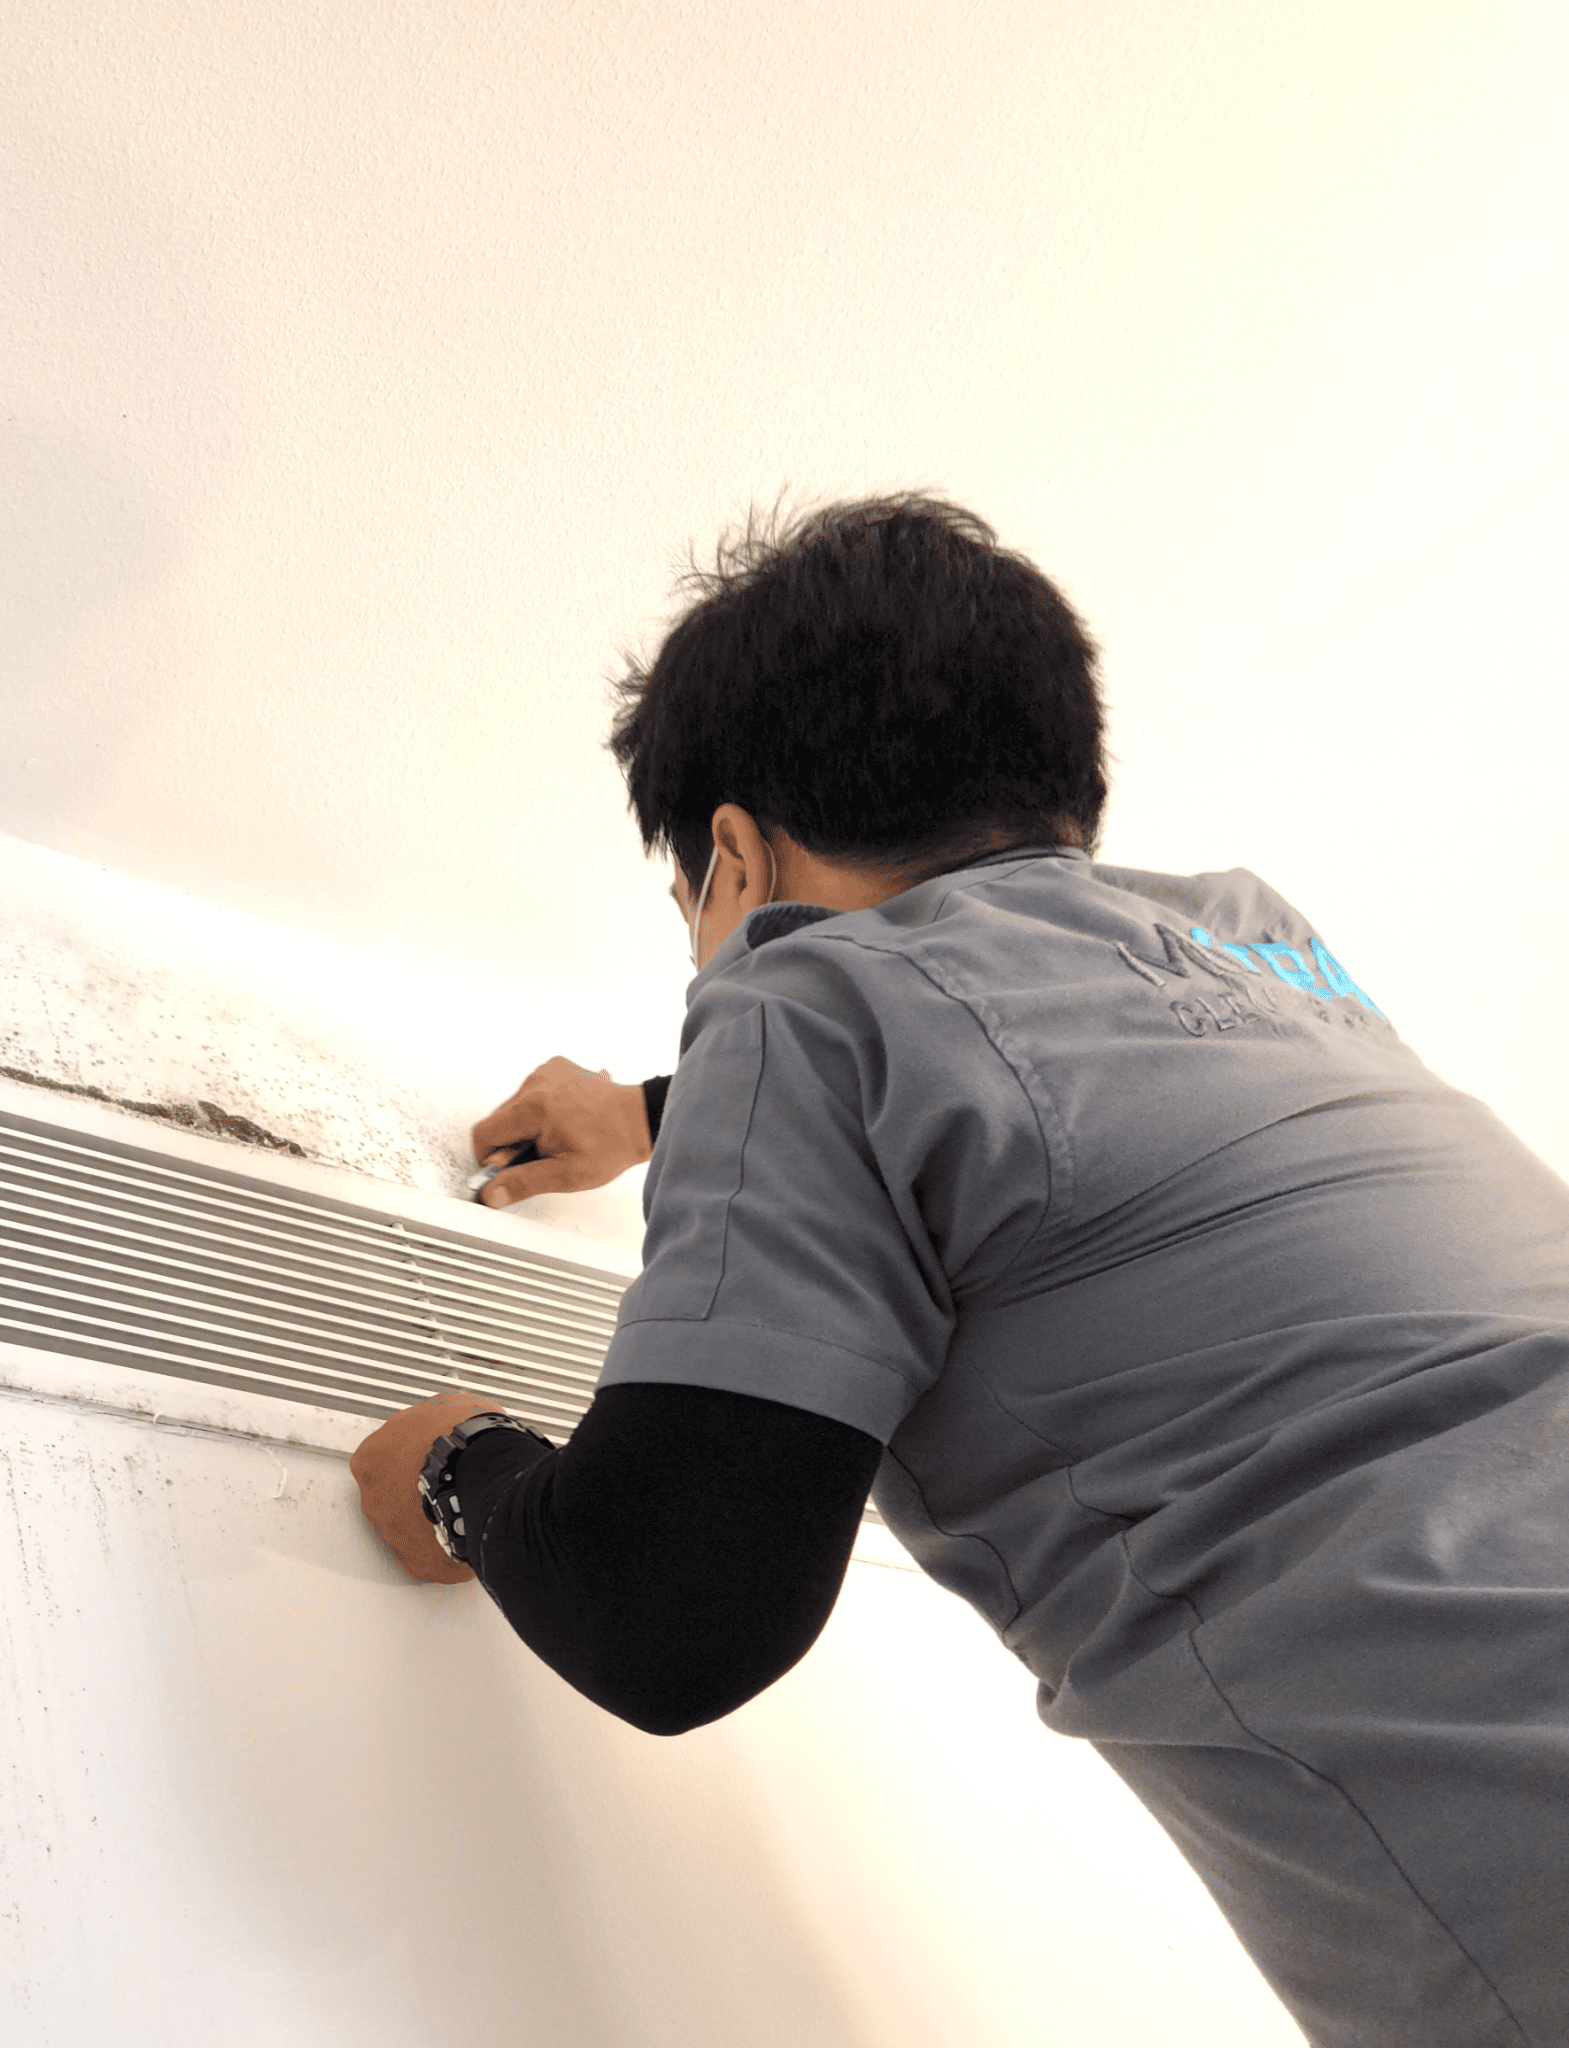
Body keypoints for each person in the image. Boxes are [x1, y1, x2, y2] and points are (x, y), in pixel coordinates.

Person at [348, 494, 1569, 2047]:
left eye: (696, 925)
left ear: (733, 861)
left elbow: (668, 1616)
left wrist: (463, 1462)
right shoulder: (1260, 944)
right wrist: (659, 1117)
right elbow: (1047, 1077)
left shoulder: (789, 1006)